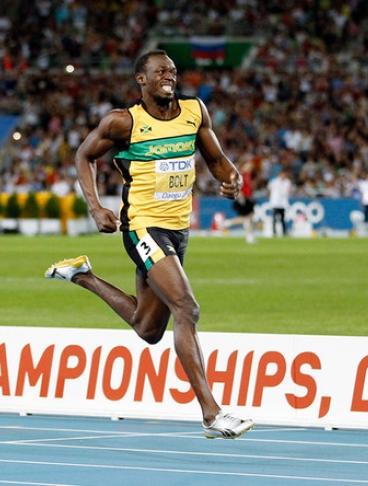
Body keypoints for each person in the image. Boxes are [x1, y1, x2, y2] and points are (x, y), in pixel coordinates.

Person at [45, 49, 254, 439]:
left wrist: (232, 179)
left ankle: (83, 276)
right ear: (141, 79)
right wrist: (95, 207)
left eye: (172, 71)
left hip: (178, 231)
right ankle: (212, 414)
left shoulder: (194, 111)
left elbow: (217, 159)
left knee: (148, 328)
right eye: (160, 71)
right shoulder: (124, 121)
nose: (169, 76)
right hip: (142, 228)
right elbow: (84, 156)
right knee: (186, 308)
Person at [232, 159, 257, 244]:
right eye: (248, 166)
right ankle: (226, 223)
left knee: (250, 217)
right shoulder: (240, 175)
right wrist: (240, 196)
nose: (250, 167)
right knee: (245, 218)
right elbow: (236, 186)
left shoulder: (248, 175)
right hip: (243, 198)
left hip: (248, 198)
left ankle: (249, 236)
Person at [267, 168, 292, 236]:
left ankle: (284, 232)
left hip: (283, 203)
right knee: (274, 219)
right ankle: (274, 232)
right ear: (280, 174)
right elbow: (269, 189)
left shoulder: (287, 182)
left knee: (283, 219)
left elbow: (288, 191)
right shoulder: (274, 181)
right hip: (275, 202)